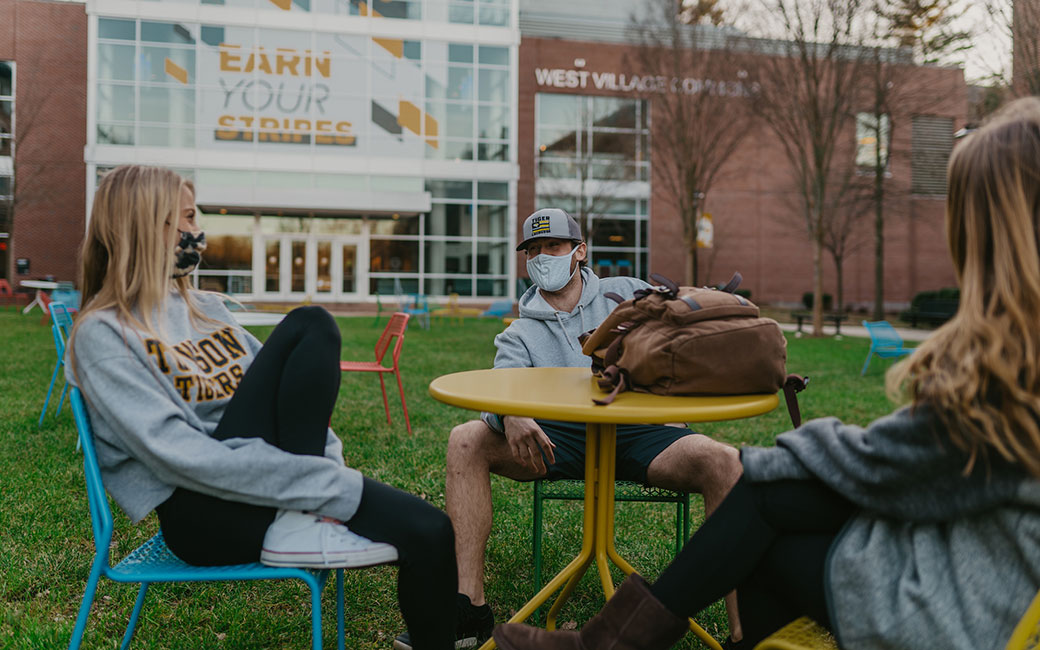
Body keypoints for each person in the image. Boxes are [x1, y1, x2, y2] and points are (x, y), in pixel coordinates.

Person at [491, 98, 1040, 650]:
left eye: (962, 214)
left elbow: (889, 466)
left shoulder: (1015, 360)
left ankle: (607, 645)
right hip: (978, 566)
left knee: (757, 503)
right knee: (759, 513)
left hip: (959, 600)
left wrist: (778, 458)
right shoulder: (1019, 347)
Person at [66, 165, 458, 650]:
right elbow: (180, 456)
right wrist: (320, 489)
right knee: (311, 322)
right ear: (149, 226)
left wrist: (325, 475)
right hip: (202, 515)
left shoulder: (205, 309)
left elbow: (291, 397)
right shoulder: (104, 334)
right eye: (187, 217)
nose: (199, 230)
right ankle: (300, 516)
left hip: (273, 483)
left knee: (433, 532)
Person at [394, 208, 744, 650]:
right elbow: (503, 380)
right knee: (465, 438)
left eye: (553, 247)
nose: (542, 257)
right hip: (560, 441)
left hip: (643, 432)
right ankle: (468, 612)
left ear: (579, 251)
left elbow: (682, 328)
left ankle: (744, 632)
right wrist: (511, 414)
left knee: (724, 461)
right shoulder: (520, 330)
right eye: (533, 250)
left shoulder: (628, 293)